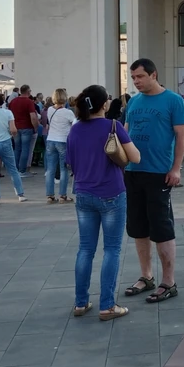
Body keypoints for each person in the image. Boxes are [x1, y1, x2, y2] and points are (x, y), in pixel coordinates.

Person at [66, 84, 140, 321]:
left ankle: (80, 302)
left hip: (84, 193)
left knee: (85, 249)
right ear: (105, 104)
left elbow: (70, 163)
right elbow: (135, 157)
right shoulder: (113, 126)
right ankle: (107, 305)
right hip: (111, 193)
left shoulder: (76, 129)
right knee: (111, 249)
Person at [121, 59, 184, 304]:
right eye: (133, 78)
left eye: (140, 76)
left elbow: (182, 136)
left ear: (153, 74)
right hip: (133, 171)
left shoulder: (173, 100)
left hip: (159, 172)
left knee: (161, 227)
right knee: (138, 227)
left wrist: (176, 168)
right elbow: (125, 133)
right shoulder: (134, 101)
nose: (136, 81)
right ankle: (146, 276)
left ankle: (168, 281)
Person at [44, 88, 76, 203]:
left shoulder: (49, 110)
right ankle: (63, 195)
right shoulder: (68, 112)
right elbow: (75, 126)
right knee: (63, 169)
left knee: (50, 169)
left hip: (50, 140)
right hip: (63, 141)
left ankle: (50, 195)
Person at [8, 85, 39, 176]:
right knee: (25, 149)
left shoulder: (13, 101)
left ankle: (15, 170)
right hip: (26, 127)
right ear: (28, 91)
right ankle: (22, 170)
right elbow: (33, 117)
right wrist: (35, 127)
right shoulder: (29, 102)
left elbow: (9, 115)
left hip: (15, 127)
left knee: (17, 148)